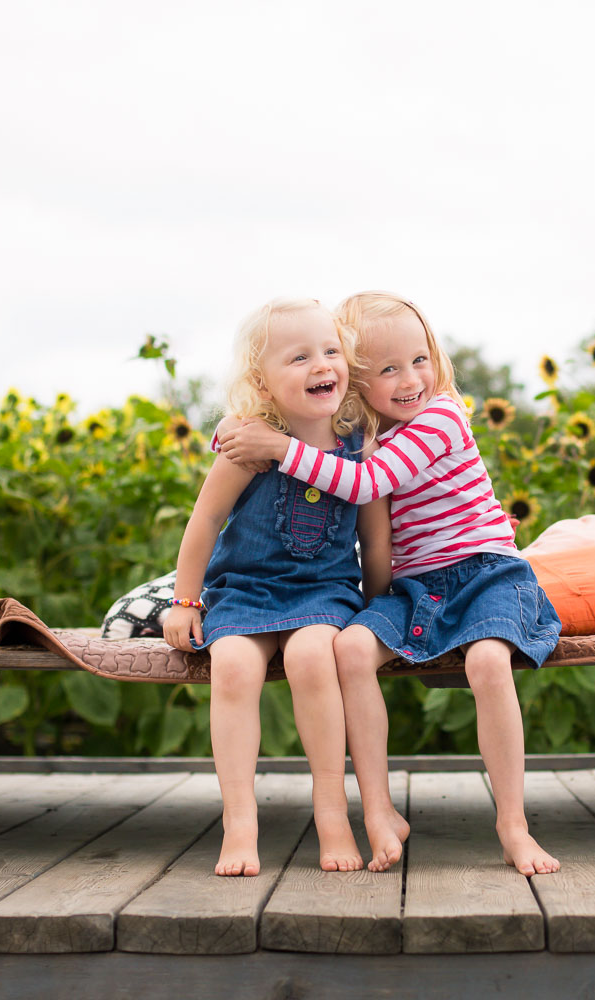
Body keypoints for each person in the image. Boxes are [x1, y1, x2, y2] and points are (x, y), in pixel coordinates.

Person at [217, 292, 562, 876]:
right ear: (356, 382)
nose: (412, 379)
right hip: (417, 588)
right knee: (350, 647)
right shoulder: (363, 431)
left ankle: (513, 824)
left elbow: (366, 483)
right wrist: (242, 426)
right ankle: (378, 809)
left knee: (486, 663)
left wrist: (278, 448)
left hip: (486, 574)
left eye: (420, 359)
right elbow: (299, 431)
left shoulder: (442, 417)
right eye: (388, 369)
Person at [164, 297, 391, 877]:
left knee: (316, 657)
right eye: (299, 357)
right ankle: (240, 821)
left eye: (331, 351)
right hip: (245, 590)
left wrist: (381, 603)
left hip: (325, 593)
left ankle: (332, 811)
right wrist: (186, 600)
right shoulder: (247, 444)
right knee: (234, 666)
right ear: (261, 384)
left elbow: (375, 532)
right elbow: (204, 522)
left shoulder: (358, 445)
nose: (322, 365)